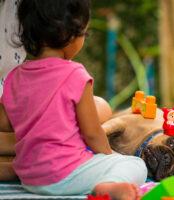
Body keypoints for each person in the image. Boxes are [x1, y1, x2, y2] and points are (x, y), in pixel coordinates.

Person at [0, 0, 147, 199]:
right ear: (69, 35)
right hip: (65, 176)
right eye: (84, 33)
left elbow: (7, 123)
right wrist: (110, 157)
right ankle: (107, 186)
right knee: (134, 164)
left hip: (30, 178)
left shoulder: (14, 77)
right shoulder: (75, 74)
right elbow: (93, 134)